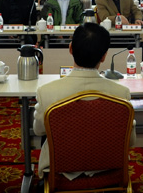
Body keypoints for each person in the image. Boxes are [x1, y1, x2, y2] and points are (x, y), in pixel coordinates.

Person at [33, 23, 135, 178]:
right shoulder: (121, 94)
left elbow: (39, 130)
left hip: (60, 170)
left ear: (70, 49)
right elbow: (130, 140)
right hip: (108, 168)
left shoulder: (46, 92)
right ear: (104, 56)